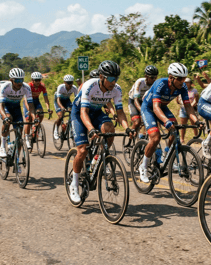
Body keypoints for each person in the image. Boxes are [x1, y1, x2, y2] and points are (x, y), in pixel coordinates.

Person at [69, 60, 134, 203]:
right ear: (101, 77)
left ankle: (98, 158)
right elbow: (83, 113)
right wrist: (91, 130)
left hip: (97, 112)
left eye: (115, 78)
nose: (113, 82)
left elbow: (120, 112)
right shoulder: (89, 86)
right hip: (80, 113)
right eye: (110, 78)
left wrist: (127, 128)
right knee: (82, 150)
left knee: (110, 129)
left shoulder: (116, 89)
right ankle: (74, 184)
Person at [139, 63, 204, 183]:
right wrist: (166, 121)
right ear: (171, 77)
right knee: (155, 137)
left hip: (162, 108)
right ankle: (143, 166)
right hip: (149, 108)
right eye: (179, 79)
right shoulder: (160, 83)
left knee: (175, 131)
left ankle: (166, 154)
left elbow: (188, 106)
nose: (182, 81)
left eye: (184, 78)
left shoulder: (183, 87)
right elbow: (155, 107)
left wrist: (197, 121)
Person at [0, 68, 36, 159]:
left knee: (19, 136)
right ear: (11, 80)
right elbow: (1, 105)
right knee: (8, 119)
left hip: (16, 108)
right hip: (5, 107)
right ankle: (2, 147)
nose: (20, 83)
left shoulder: (26, 87)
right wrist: (4, 117)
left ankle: (17, 159)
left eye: (21, 80)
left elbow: (30, 104)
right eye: (17, 80)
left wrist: (34, 118)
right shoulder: (5, 87)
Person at [127, 65, 158, 137]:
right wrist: (143, 112)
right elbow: (136, 101)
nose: (154, 79)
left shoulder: (155, 84)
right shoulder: (140, 82)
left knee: (149, 119)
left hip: (144, 101)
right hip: (134, 101)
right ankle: (131, 137)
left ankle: (144, 136)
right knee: (137, 122)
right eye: (152, 77)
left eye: (155, 77)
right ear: (146, 76)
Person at [23, 72, 52, 148]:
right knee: (28, 119)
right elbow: (25, 100)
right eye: (36, 80)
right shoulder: (28, 86)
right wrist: (29, 110)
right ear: (32, 80)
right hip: (28, 102)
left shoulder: (42, 86)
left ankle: (36, 127)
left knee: (41, 114)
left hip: (36, 101)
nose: (38, 82)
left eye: (39, 80)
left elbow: (45, 98)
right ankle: (26, 137)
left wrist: (48, 108)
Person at [53, 75, 78, 140]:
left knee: (72, 112)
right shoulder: (61, 87)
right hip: (58, 101)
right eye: (68, 83)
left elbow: (77, 99)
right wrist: (61, 107)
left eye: (71, 83)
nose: (70, 84)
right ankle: (56, 129)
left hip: (67, 101)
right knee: (61, 116)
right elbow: (58, 99)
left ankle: (68, 126)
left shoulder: (74, 88)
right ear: (64, 82)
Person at [176, 78, 199, 143]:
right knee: (183, 125)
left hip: (191, 109)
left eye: (187, 83)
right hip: (183, 110)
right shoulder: (181, 90)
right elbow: (178, 100)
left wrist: (191, 106)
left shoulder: (194, 91)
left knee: (194, 124)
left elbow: (196, 99)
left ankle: (196, 137)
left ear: (190, 83)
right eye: (185, 83)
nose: (186, 84)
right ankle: (182, 138)